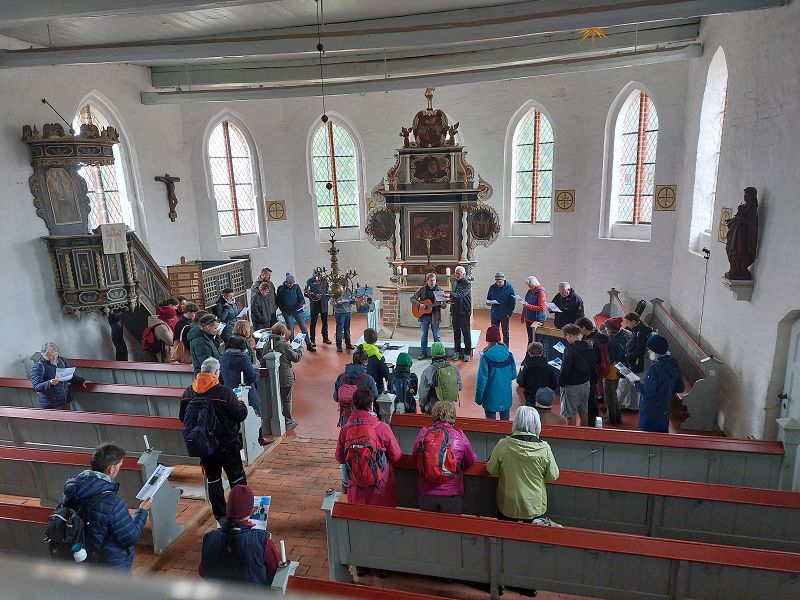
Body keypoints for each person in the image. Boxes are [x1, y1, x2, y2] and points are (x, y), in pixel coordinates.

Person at [59, 442, 152, 569]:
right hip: (108, 565)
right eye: (119, 466)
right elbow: (130, 537)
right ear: (111, 469)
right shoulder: (113, 502)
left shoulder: (68, 493)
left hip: (77, 559)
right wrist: (142, 511)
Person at [179, 357, 248, 521]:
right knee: (237, 478)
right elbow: (240, 415)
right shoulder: (224, 392)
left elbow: (183, 418)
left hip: (204, 445)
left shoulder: (188, 392)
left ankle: (220, 516)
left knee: (213, 479)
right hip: (227, 444)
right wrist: (242, 404)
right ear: (216, 372)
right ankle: (240, 513)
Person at [486, 406, 559, 522]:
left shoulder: (503, 445)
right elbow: (552, 476)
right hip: (534, 504)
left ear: (516, 422)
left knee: (507, 532)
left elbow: (491, 470)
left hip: (508, 503)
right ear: (537, 424)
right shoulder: (544, 449)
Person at [199, 484, 280, 585]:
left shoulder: (209, 538)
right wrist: (266, 543)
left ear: (228, 509)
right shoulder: (262, 540)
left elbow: (203, 572)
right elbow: (276, 570)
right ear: (251, 510)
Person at [335, 388, 402, 507]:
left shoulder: (345, 430)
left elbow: (340, 458)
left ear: (354, 405)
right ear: (371, 405)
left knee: (359, 516)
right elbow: (396, 456)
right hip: (380, 488)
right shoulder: (382, 428)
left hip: (356, 488)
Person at [411, 401, 477, 514]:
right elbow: (471, 460)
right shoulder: (459, 435)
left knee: (427, 524)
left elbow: (415, 456)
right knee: (451, 525)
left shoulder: (424, 433)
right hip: (452, 493)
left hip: (426, 492)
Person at [220, 335, 270, 446]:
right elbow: (251, 377)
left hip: (230, 391)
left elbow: (221, 377)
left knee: (235, 417)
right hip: (247, 392)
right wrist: (257, 372)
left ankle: (240, 441)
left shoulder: (223, 357)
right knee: (255, 413)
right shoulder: (242, 358)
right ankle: (259, 438)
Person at [637, 335, 684, 433]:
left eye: (650, 350)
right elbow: (680, 387)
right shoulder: (672, 363)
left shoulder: (654, 368)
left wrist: (636, 384)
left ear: (656, 351)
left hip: (651, 410)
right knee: (661, 437)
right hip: (664, 408)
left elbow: (649, 393)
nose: (649, 352)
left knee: (648, 437)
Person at [475, 325, 517, 421]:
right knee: (505, 422)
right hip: (505, 396)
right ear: (499, 338)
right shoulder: (509, 355)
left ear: (488, 339)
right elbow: (513, 375)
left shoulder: (485, 358)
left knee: (490, 422)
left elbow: (481, 382)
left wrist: (478, 399)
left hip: (490, 397)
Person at [31, 342, 90, 409]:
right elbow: (36, 387)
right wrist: (49, 383)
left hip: (64, 400)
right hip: (50, 404)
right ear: (44, 355)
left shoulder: (61, 361)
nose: (54, 358)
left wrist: (82, 381)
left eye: (56, 354)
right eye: (51, 356)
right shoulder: (38, 366)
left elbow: (69, 376)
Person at [576, 316, 610, 428]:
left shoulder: (593, 341)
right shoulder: (597, 337)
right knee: (592, 396)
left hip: (591, 372)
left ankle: (592, 423)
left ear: (584, 328)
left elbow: (594, 359)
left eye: (579, 329)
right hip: (595, 372)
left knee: (591, 398)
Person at [559, 324, 595, 426]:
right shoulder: (588, 346)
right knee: (583, 411)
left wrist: (562, 383)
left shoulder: (570, 349)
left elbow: (565, 369)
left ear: (568, 335)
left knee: (570, 414)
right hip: (585, 383)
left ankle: (571, 433)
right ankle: (584, 431)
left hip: (572, 385)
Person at [333, 346, 379, 426]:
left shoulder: (341, 377)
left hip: (346, 420)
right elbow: (375, 397)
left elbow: (335, 398)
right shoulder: (369, 379)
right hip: (363, 421)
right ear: (366, 361)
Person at [270, 322, 303, 429]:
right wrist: (300, 348)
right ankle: (287, 421)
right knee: (286, 400)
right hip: (285, 377)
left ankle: (277, 419)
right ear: (282, 334)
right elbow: (296, 358)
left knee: (276, 399)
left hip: (271, 378)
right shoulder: (284, 345)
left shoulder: (266, 344)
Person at [618, 312, 653, 413]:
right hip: (635, 362)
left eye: (627, 322)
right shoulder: (640, 330)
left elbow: (640, 350)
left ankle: (613, 407)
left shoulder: (641, 332)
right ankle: (632, 407)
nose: (626, 325)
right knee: (633, 385)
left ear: (633, 321)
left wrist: (629, 357)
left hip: (634, 363)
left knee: (622, 384)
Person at [410, 272, 447, 359]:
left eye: (434, 280)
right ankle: (423, 353)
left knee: (436, 336)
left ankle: (438, 354)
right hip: (424, 316)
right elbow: (412, 298)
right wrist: (419, 305)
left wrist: (443, 304)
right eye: (431, 280)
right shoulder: (422, 289)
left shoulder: (439, 290)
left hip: (435, 316)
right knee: (423, 335)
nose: (433, 282)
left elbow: (444, 306)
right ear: (427, 281)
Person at [418, 341, 463, 414]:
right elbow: (460, 386)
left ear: (432, 354)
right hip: (450, 408)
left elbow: (423, 393)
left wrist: (422, 406)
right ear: (444, 353)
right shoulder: (453, 367)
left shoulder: (428, 370)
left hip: (435, 408)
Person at [600, 317, 629, 425]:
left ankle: (611, 419)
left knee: (609, 396)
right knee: (613, 394)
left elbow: (610, 358)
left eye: (606, 328)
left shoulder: (612, 342)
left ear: (611, 329)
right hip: (619, 369)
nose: (605, 329)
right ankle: (617, 417)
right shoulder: (623, 336)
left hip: (611, 370)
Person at [277, 273, 315, 352]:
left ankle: (308, 344)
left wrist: (300, 306)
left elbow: (301, 298)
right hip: (287, 312)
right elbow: (279, 302)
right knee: (290, 329)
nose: (290, 285)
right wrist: (284, 310)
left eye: (292, 284)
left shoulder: (296, 287)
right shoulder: (281, 289)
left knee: (303, 327)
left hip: (297, 311)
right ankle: (293, 346)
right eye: (289, 284)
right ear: (286, 282)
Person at [516, 342, 559, 407]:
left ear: (529, 353)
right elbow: (554, 384)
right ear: (542, 352)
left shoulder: (526, 368)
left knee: (530, 411)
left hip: (530, 396)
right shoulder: (548, 368)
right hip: (544, 396)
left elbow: (522, 383)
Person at [449, 266, 472, 361]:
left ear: (463, 274)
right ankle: (457, 351)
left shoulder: (467, 284)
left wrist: (450, 295)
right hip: (455, 311)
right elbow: (454, 298)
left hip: (464, 312)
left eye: (459, 273)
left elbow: (461, 295)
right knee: (456, 333)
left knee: (466, 333)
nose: (457, 275)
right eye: (456, 273)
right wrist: (447, 300)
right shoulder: (454, 283)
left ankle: (467, 353)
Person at [485, 272, 516, 346]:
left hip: (504, 314)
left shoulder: (510, 288)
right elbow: (488, 299)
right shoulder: (492, 287)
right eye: (497, 282)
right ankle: (494, 347)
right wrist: (488, 303)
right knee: (494, 331)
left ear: (503, 280)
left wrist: (510, 313)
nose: (498, 284)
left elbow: (513, 302)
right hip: (494, 313)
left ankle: (506, 347)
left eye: (500, 282)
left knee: (505, 332)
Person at [305, 274, 331, 346]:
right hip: (314, 304)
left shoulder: (324, 280)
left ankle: (325, 338)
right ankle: (312, 340)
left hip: (323, 304)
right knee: (313, 323)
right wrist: (315, 295)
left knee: (325, 323)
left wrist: (327, 298)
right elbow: (306, 293)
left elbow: (328, 291)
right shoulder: (310, 281)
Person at [362, 328, 391, 393]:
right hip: (376, 385)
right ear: (376, 340)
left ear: (364, 339)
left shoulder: (359, 351)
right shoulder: (378, 356)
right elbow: (385, 373)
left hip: (362, 383)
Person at [521, 276, 547, 345]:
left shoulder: (541, 293)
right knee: (530, 338)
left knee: (536, 340)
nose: (529, 287)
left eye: (530, 285)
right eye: (528, 285)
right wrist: (523, 315)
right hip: (528, 319)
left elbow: (542, 308)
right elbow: (526, 303)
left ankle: (535, 351)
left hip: (537, 320)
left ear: (534, 283)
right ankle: (530, 351)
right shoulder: (530, 291)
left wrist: (528, 306)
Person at [332, 287, 355, 352]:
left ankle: (348, 344)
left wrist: (353, 300)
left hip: (348, 312)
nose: (345, 284)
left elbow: (353, 300)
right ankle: (339, 346)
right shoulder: (335, 289)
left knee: (347, 328)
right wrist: (338, 303)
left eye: (346, 283)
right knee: (340, 329)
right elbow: (332, 302)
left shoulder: (348, 290)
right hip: (340, 312)